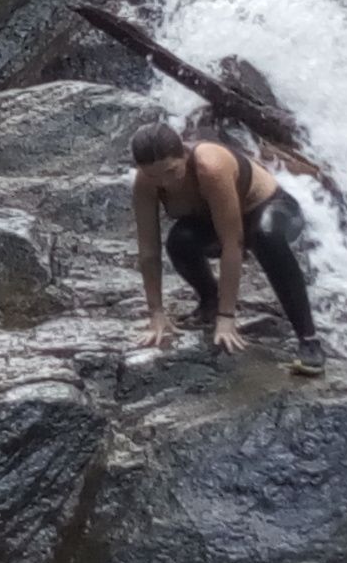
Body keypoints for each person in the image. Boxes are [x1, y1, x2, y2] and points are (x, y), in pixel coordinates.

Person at [132, 120, 328, 374]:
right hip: (213, 221)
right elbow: (149, 250)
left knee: (265, 236)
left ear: (184, 154)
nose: (165, 183)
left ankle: (309, 340)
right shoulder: (146, 182)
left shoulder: (210, 167)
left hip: (273, 210)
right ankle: (209, 301)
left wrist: (227, 318)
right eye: (154, 176)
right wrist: (156, 314)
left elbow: (232, 243)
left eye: (171, 171)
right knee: (180, 241)